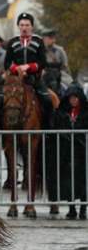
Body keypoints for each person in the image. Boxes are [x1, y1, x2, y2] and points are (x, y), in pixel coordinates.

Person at [46, 84, 87, 219]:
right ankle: (71, 208)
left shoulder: (85, 113)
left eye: (76, 98)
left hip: (82, 153)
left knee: (83, 182)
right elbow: (54, 127)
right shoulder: (62, 113)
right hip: (67, 154)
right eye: (71, 98)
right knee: (69, 182)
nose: (73, 100)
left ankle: (83, 208)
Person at [5, 13, 53, 128]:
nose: (24, 28)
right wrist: (16, 69)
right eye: (21, 25)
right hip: (15, 81)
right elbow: (6, 63)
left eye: (27, 25)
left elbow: (43, 62)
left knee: (47, 101)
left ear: (32, 26)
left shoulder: (38, 41)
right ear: (18, 26)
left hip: (34, 79)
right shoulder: (12, 42)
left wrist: (28, 67)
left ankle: (47, 129)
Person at [42, 30, 73, 95]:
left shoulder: (60, 50)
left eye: (51, 38)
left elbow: (65, 66)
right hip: (44, 74)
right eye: (46, 38)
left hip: (59, 74)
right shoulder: (41, 50)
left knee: (70, 89)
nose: (48, 40)